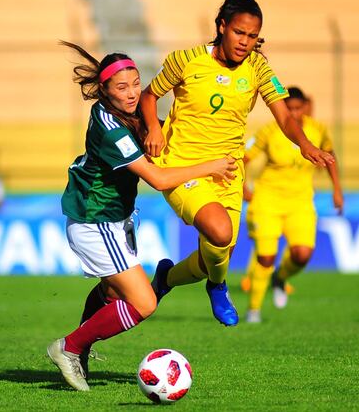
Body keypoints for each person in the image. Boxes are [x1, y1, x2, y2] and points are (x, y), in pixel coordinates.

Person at [46, 41, 237, 392]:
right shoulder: (111, 128)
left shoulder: (127, 113)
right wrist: (212, 166)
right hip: (95, 218)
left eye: (136, 83)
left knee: (111, 292)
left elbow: (166, 136)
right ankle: (69, 347)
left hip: (114, 218)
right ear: (104, 90)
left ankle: (80, 349)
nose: (133, 92)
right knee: (144, 302)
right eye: (122, 87)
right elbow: (158, 178)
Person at [139, 0, 335, 327]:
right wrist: (154, 130)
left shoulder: (258, 67)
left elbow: (285, 116)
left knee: (218, 250)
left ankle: (166, 278)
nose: (245, 41)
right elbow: (149, 95)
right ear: (222, 26)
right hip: (183, 166)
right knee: (219, 231)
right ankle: (218, 286)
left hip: (227, 171)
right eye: (239, 32)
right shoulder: (185, 60)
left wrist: (304, 143)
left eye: (253, 36)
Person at [243, 86, 344, 323]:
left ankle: (280, 277)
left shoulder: (317, 130)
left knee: (302, 255)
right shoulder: (269, 131)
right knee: (266, 256)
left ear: (305, 107)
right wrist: (243, 186)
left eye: (298, 108)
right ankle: (254, 310)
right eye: (289, 109)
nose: (294, 113)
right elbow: (243, 158)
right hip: (267, 200)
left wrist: (337, 190)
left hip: (300, 202)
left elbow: (330, 156)